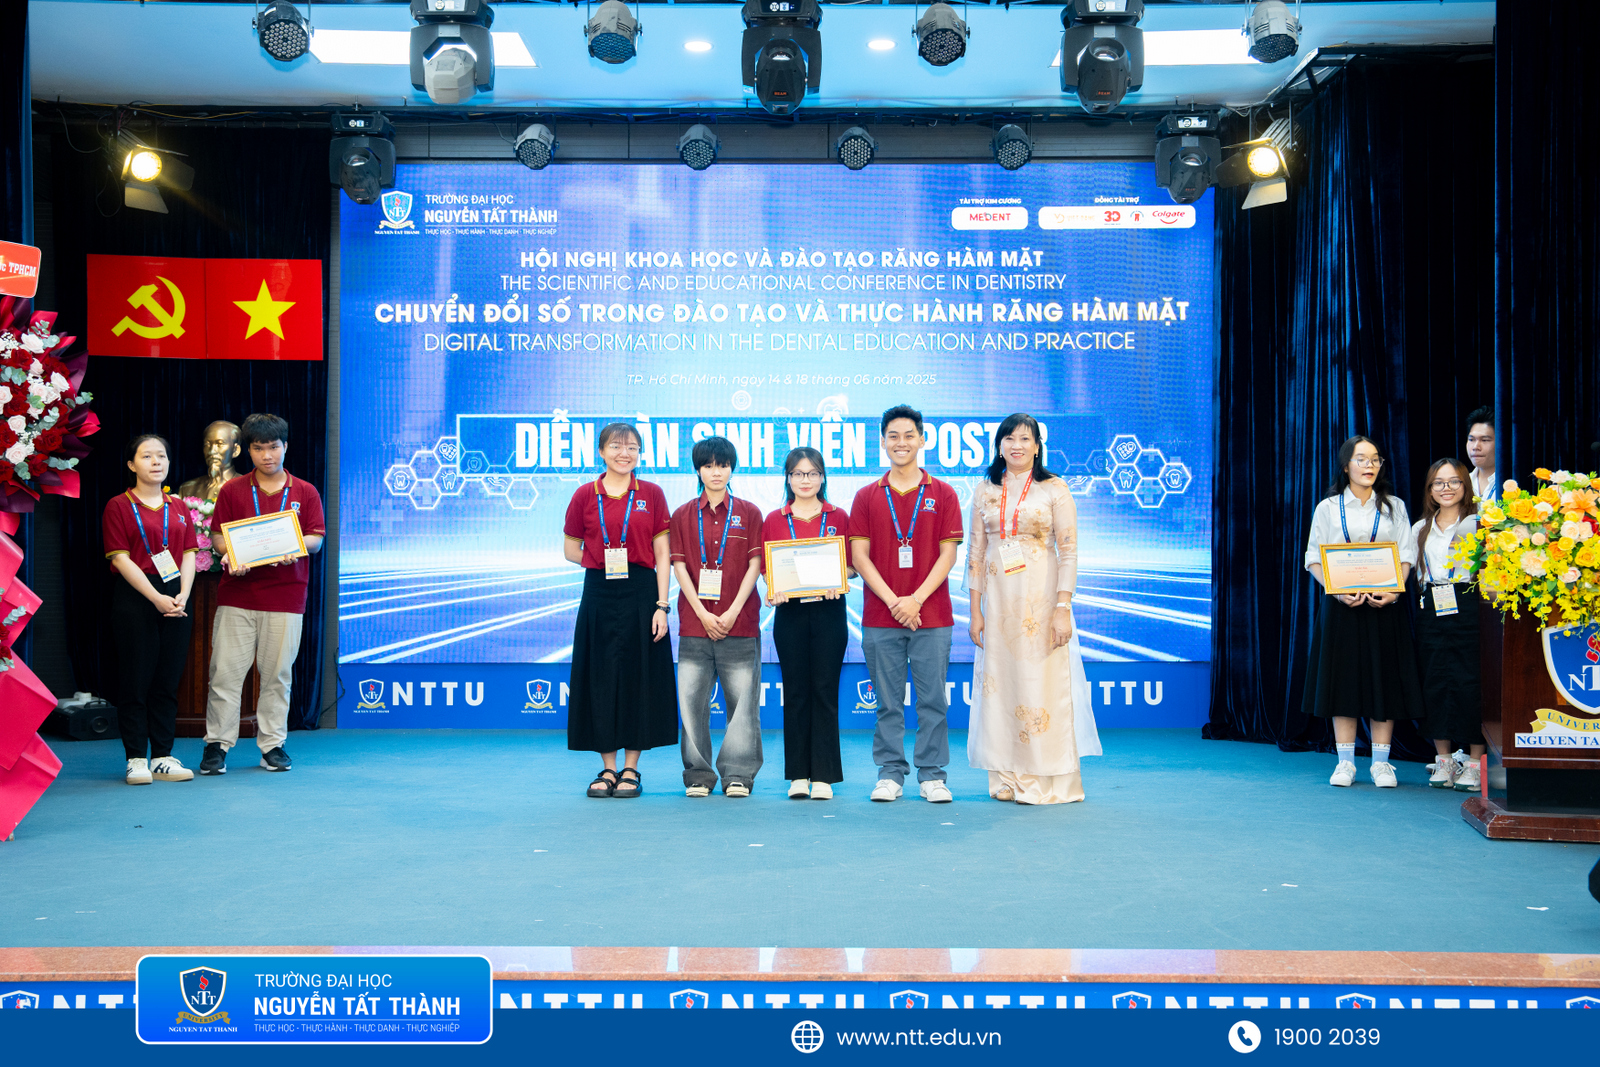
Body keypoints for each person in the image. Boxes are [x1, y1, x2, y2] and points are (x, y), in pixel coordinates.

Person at [966, 414, 1101, 805]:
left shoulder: (1054, 488)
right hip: (998, 605)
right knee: (1002, 687)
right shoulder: (985, 490)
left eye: (1025, 439)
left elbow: (1069, 551)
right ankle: (1007, 777)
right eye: (1009, 438)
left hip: (1041, 604)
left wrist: (1063, 607)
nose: (1017, 446)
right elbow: (975, 554)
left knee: (1040, 685)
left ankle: (1042, 780)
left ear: (1038, 446)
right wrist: (975, 611)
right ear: (999, 445)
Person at [200, 414, 326, 776]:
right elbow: (218, 537)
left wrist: (294, 545)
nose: (267, 455)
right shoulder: (233, 490)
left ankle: (272, 745)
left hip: (286, 597)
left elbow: (316, 539)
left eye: (273, 447)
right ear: (248, 451)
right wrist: (230, 554)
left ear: (285, 447)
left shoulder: (305, 491)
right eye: (259, 448)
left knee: (277, 676)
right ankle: (217, 745)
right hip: (238, 595)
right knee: (224, 674)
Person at [850, 404, 964, 803]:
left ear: (922, 440)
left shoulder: (943, 493)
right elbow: (859, 557)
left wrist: (914, 600)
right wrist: (895, 602)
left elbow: (948, 556)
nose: (901, 443)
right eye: (893, 436)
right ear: (883, 442)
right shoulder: (866, 496)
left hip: (932, 616)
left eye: (909, 435)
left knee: (933, 701)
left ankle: (932, 775)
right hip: (881, 616)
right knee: (888, 702)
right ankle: (890, 774)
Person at [563, 422, 677, 798]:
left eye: (632, 448)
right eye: (616, 446)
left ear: (639, 454)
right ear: (601, 452)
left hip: (642, 591)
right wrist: (600, 560)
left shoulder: (652, 494)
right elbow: (570, 549)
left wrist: (662, 605)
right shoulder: (585, 494)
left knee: (638, 676)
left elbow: (662, 553)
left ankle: (631, 769)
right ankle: (608, 768)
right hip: (598, 590)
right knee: (601, 675)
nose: (624, 453)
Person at [1302, 435, 1423, 787]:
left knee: (1384, 682)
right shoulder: (1328, 508)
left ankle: (1381, 764)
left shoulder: (1394, 506)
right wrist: (1336, 591)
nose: (1369, 466)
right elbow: (1313, 557)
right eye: (1361, 459)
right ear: (1346, 466)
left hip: (1384, 606)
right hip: (1342, 607)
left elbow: (1406, 554)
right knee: (1343, 682)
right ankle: (1346, 763)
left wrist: (1394, 591)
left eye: (1375, 459)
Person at [669, 435, 766, 798]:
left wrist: (732, 611)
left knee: (742, 705)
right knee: (692, 705)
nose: (716, 472)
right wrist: (703, 614)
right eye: (708, 465)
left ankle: (738, 774)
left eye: (722, 465)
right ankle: (698, 774)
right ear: (698, 470)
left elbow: (755, 564)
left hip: (739, 623)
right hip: (696, 625)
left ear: (731, 469)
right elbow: (679, 567)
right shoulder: (682, 515)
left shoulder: (750, 512)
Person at [102, 434, 199, 785]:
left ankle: (162, 756)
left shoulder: (179, 506)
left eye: (162, 456)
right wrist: (155, 598)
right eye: (147, 456)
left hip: (176, 594)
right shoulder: (118, 505)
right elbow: (120, 558)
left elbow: (189, 554)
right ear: (132, 465)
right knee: (135, 679)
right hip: (136, 594)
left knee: (167, 681)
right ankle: (135, 758)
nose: (156, 462)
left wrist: (183, 593)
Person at [762, 446, 850, 800]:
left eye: (812, 473)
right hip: (790, 614)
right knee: (796, 692)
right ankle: (798, 775)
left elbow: (853, 566)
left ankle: (824, 776)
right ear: (788, 478)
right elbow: (768, 569)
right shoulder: (774, 519)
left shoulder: (838, 516)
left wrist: (840, 577)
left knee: (825, 692)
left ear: (822, 477)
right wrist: (773, 590)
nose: (805, 480)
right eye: (798, 473)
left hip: (830, 611)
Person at [1411, 458, 1486, 791]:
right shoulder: (1419, 528)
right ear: (1430, 490)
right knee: (1435, 680)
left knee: (1471, 681)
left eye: (1454, 481)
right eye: (1438, 483)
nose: (1446, 488)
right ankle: (1444, 759)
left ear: (1465, 486)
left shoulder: (1480, 523)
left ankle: (1474, 763)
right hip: (1432, 606)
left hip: (1469, 605)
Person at [176, 419, 241, 503]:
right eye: (207, 444)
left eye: (220, 444)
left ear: (235, 450)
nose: (212, 451)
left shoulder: (247, 487)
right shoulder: (187, 489)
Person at [1465, 406, 1498, 504]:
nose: (1475, 447)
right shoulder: (1462, 483)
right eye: (1471, 439)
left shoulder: (1511, 484)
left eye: (1484, 440)